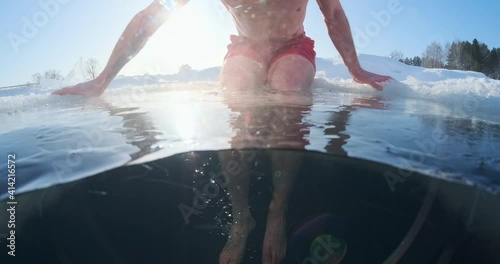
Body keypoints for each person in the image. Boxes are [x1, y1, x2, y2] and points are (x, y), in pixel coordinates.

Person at [53, 1, 392, 263]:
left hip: (293, 46)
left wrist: (355, 69)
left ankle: (278, 207)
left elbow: (331, 11)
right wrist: (102, 80)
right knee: (237, 91)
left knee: (288, 89)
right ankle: (242, 217)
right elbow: (153, 15)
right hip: (245, 47)